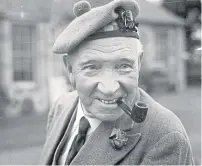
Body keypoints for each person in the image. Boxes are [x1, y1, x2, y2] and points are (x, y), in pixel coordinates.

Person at [40, 0, 194, 165]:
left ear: (138, 64)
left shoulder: (165, 136)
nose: (109, 88)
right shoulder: (61, 107)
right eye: (92, 67)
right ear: (70, 69)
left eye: (124, 66)